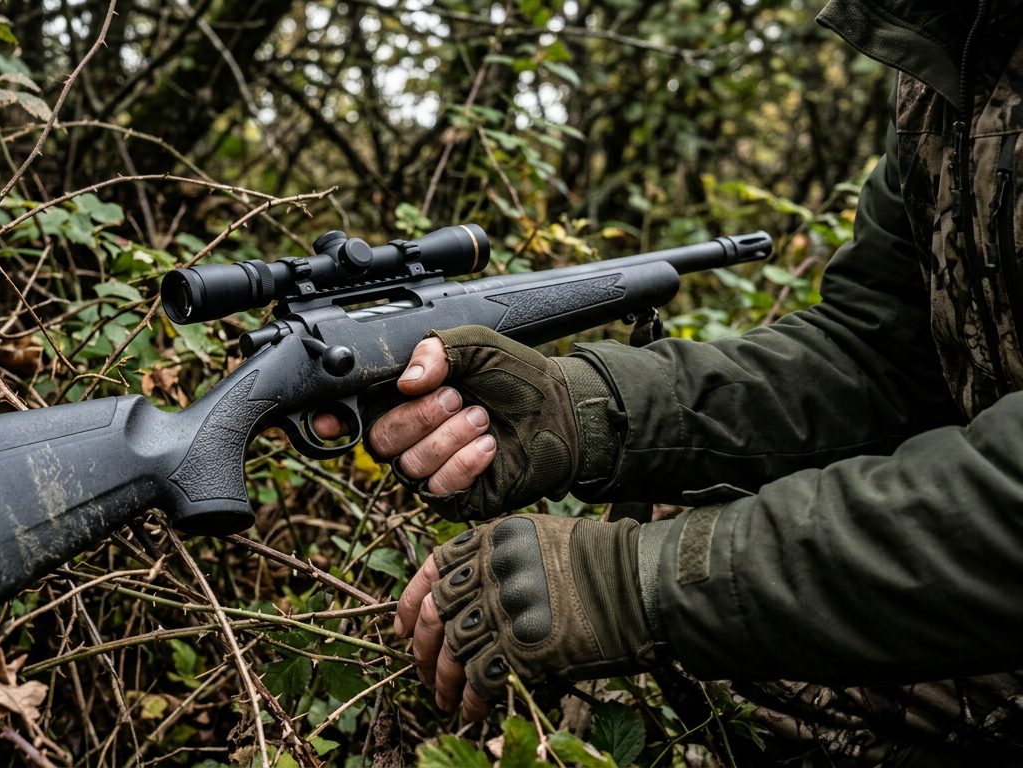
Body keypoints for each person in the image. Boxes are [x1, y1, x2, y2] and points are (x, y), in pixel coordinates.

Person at [343, 0, 1023, 762]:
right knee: (656, 537)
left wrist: (639, 582)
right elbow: (876, 356)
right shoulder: (955, 56)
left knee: (661, 642)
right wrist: (593, 409)